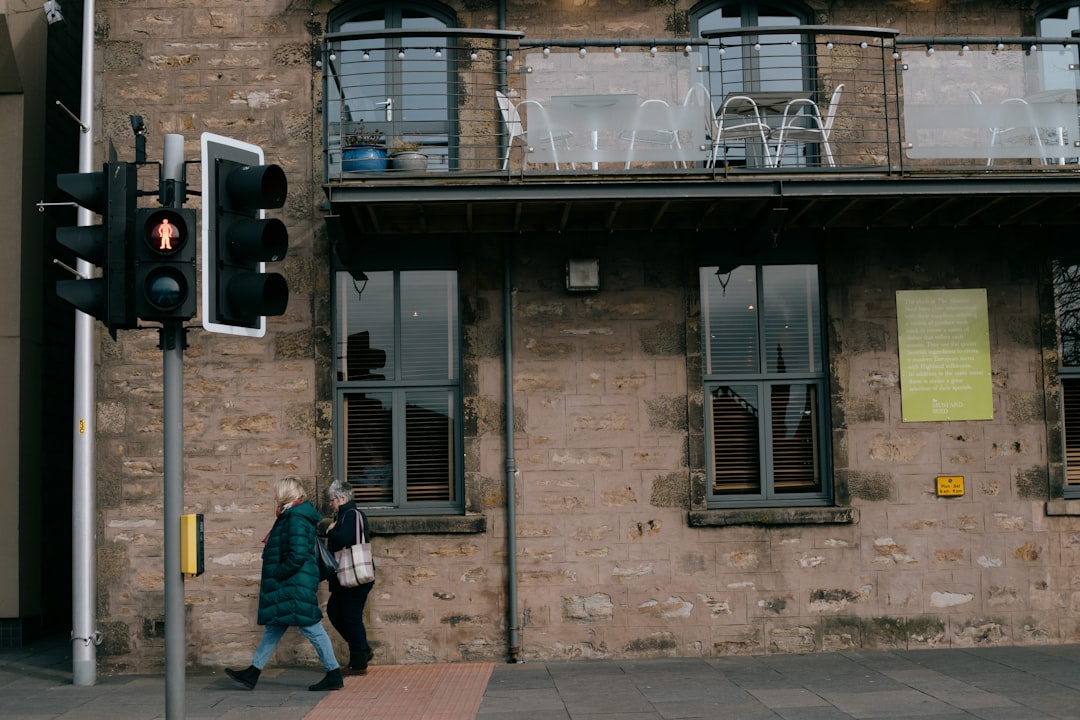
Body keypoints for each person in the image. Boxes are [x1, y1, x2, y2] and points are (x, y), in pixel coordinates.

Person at [225, 476, 343, 692]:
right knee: (273, 628)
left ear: (287, 493)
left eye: (277, 492)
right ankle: (253, 672)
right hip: (291, 584)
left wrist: (278, 572)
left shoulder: (295, 518)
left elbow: (297, 555)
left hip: (293, 584)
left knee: (312, 628)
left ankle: (334, 673)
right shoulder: (291, 515)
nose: (274, 496)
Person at [325, 479, 375, 675]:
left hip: (355, 576)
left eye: (332, 500)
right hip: (344, 577)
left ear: (342, 498)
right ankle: (362, 648)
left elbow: (345, 538)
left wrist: (331, 530)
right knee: (335, 611)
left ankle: (358, 663)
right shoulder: (344, 516)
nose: (330, 504)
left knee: (351, 617)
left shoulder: (352, 514)